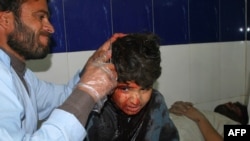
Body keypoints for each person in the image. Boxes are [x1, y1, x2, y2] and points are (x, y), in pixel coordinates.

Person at [0, 0, 124, 140]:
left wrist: (91, 67)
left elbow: (63, 98)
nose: (51, 28)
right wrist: (89, 91)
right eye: (40, 17)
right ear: (5, 20)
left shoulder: (20, 74)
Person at [84, 33, 179, 141]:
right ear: (109, 80)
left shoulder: (156, 104)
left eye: (145, 88)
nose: (135, 101)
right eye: (125, 89)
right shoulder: (94, 110)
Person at [169, 101, 248, 141]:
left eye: (235, 107)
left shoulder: (236, 126)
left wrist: (200, 118)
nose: (229, 103)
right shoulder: (211, 116)